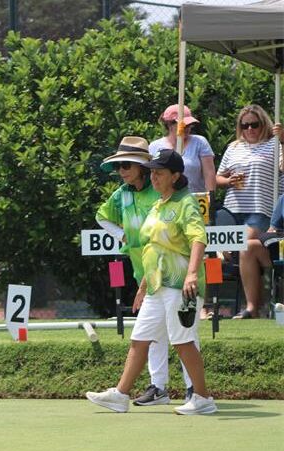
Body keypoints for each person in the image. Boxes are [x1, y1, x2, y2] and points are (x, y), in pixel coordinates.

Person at [87, 149, 217, 415]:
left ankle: (203, 398)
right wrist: (144, 286)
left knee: (182, 341)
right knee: (140, 338)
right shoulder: (159, 204)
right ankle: (120, 395)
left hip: (181, 286)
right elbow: (154, 248)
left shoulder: (186, 203)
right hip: (157, 285)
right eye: (152, 172)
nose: (153, 177)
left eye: (159, 173)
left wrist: (192, 274)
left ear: (175, 176)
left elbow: (198, 239)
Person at [95, 137, 193, 405]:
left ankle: (193, 390)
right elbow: (101, 216)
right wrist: (122, 236)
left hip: (172, 272)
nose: (122, 171)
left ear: (143, 167)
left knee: (181, 335)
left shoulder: (161, 192)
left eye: (127, 164)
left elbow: (188, 233)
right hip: (144, 268)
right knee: (152, 332)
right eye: (119, 166)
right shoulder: (122, 194)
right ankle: (158, 387)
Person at [215, 105, 284, 318]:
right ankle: (210, 305)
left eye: (255, 124)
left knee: (243, 246)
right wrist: (228, 181)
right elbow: (218, 178)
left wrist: (282, 140)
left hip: (260, 208)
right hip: (233, 207)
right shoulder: (234, 147)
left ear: (264, 124)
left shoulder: (274, 145)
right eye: (245, 125)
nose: (250, 129)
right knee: (215, 253)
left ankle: (253, 306)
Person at [149, 104, 216, 195]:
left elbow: (209, 173)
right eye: (183, 125)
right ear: (169, 125)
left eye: (189, 125)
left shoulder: (199, 142)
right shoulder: (155, 146)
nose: (187, 128)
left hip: (196, 199)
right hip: (165, 200)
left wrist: (210, 197)